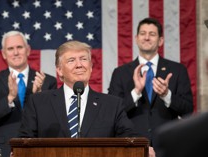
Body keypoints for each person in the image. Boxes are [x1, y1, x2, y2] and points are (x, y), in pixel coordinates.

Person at [17, 40, 155, 157]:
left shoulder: (111, 105)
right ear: (59, 70)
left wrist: (143, 148)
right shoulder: (38, 102)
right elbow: (24, 141)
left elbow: (130, 137)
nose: (79, 65)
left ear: (90, 67)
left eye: (83, 59)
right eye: (71, 60)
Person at [108, 17, 193, 148]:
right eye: (143, 34)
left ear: (160, 41)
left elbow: (187, 110)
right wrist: (136, 92)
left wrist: (166, 95)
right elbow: (112, 113)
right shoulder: (120, 73)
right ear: (136, 38)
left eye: (152, 34)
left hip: (167, 145)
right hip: (131, 146)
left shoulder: (177, 70)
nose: (146, 38)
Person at [0, 30, 57, 157]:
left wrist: (38, 96)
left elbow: (53, 120)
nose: (15, 52)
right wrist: (10, 98)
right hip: (1, 149)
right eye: (10, 49)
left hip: (37, 148)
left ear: (28, 50)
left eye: (19, 47)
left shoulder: (47, 81)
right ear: (4, 54)